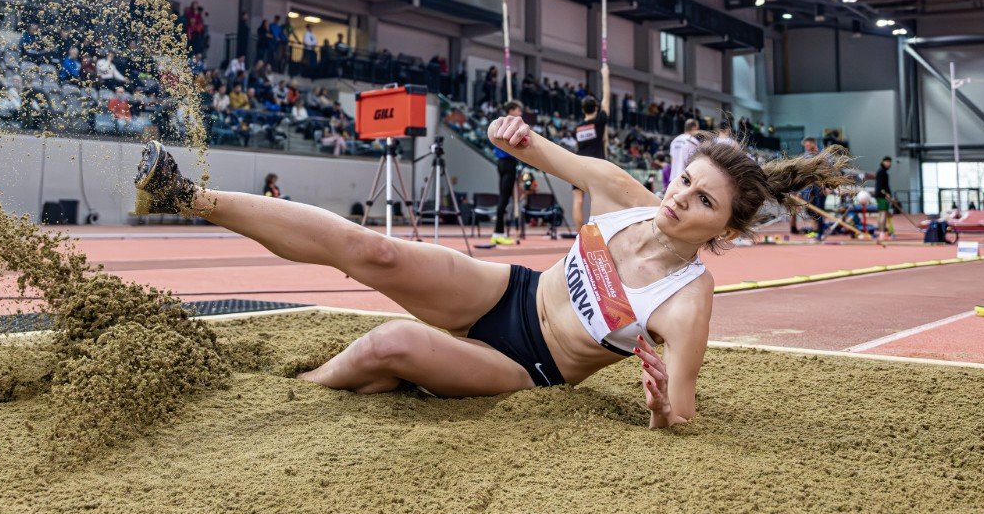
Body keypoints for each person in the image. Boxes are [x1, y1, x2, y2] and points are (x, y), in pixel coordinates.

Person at [131, 122, 855, 417]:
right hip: (508, 291)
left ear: (723, 229)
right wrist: (512, 134)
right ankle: (185, 195)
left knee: (389, 343)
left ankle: (293, 393)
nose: (680, 200)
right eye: (685, 182)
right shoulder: (622, 194)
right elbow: (533, 149)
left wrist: (664, 404)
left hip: (528, 368)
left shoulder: (687, 301)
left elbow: (683, 415)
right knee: (377, 253)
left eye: (702, 202)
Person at [569, 97, 610, 231]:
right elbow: (606, 102)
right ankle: (598, 232)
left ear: (583, 110)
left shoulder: (577, 128)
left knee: (578, 199)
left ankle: (580, 234)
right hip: (595, 164)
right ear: (596, 108)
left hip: (578, 164)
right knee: (597, 199)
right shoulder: (599, 121)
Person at [489, 100, 526, 247]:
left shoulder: (500, 123)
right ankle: (498, 233)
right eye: (518, 110)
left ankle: (499, 232)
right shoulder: (509, 125)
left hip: (503, 163)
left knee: (504, 198)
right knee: (504, 199)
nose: (520, 113)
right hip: (508, 163)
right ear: (511, 110)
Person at [871, 156, 896, 237]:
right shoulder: (882, 172)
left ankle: (881, 231)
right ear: (883, 162)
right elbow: (881, 186)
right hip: (882, 196)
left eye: (890, 162)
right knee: (883, 213)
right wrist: (887, 195)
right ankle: (882, 232)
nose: (889, 164)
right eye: (887, 162)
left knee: (881, 213)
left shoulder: (883, 172)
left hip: (881, 195)